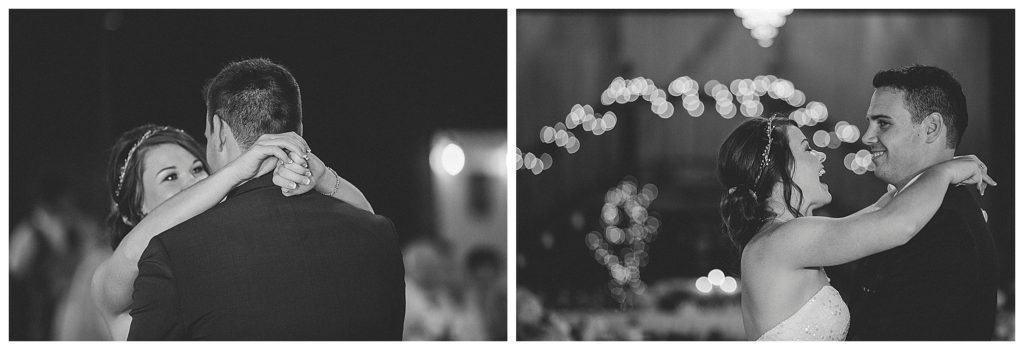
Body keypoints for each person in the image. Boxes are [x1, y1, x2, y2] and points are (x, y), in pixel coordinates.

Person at [126, 58, 405, 340]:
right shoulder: (378, 234)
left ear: (219, 132)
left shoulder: (174, 252)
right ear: (300, 131)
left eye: (207, 136)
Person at [717, 113, 994, 340]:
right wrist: (945, 171)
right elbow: (898, 224)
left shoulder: (775, 240)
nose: (820, 156)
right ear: (780, 171)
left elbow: (879, 211)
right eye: (806, 149)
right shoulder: (785, 239)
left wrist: (920, 177)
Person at [90, 125, 373, 340]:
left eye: (198, 168)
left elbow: (368, 224)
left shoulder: (233, 258)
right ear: (132, 210)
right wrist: (237, 171)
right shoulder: (109, 282)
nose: (194, 182)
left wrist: (321, 177)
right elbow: (131, 254)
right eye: (170, 177)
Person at [848, 65, 998, 340]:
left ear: (931, 128)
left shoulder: (945, 227)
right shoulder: (912, 208)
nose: (867, 137)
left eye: (883, 123)